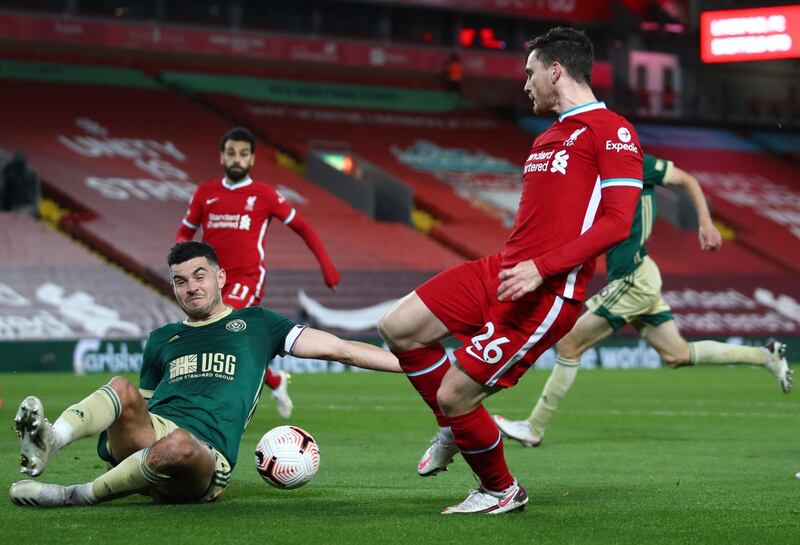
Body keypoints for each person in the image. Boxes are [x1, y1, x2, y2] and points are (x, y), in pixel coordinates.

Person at [377, 27, 643, 515]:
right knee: (399, 327)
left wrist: (542, 268)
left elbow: (618, 223)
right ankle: (453, 425)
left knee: (457, 393)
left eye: (530, 72)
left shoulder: (613, 130)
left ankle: (501, 490)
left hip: (547, 291)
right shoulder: (548, 135)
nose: (525, 84)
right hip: (504, 270)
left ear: (555, 70)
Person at [9, 241, 398, 508]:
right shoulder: (162, 338)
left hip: (204, 457)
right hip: (151, 434)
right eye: (180, 281)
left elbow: (339, 349)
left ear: (220, 277)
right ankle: (51, 438)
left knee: (177, 444)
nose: (191, 287)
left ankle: (73, 494)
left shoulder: (258, 323)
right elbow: (139, 407)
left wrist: (411, 365)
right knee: (120, 388)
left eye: (199, 276)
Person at [493, 155, 793, 447]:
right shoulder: (592, 174)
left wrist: (705, 223)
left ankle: (534, 427)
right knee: (678, 354)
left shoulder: (635, 163)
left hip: (634, 278)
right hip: (638, 276)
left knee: (570, 343)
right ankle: (765, 356)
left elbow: (687, 179)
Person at [176, 127, 341, 420]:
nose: (236, 159)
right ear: (222, 156)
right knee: (227, 338)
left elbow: (302, 227)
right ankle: (273, 379)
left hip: (247, 277)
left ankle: (233, 406)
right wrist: (180, 267)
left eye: (242, 153)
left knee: (222, 328)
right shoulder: (206, 192)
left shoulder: (264, 194)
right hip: (211, 279)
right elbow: (185, 232)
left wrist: (327, 267)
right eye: (231, 153)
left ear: (252, 158)